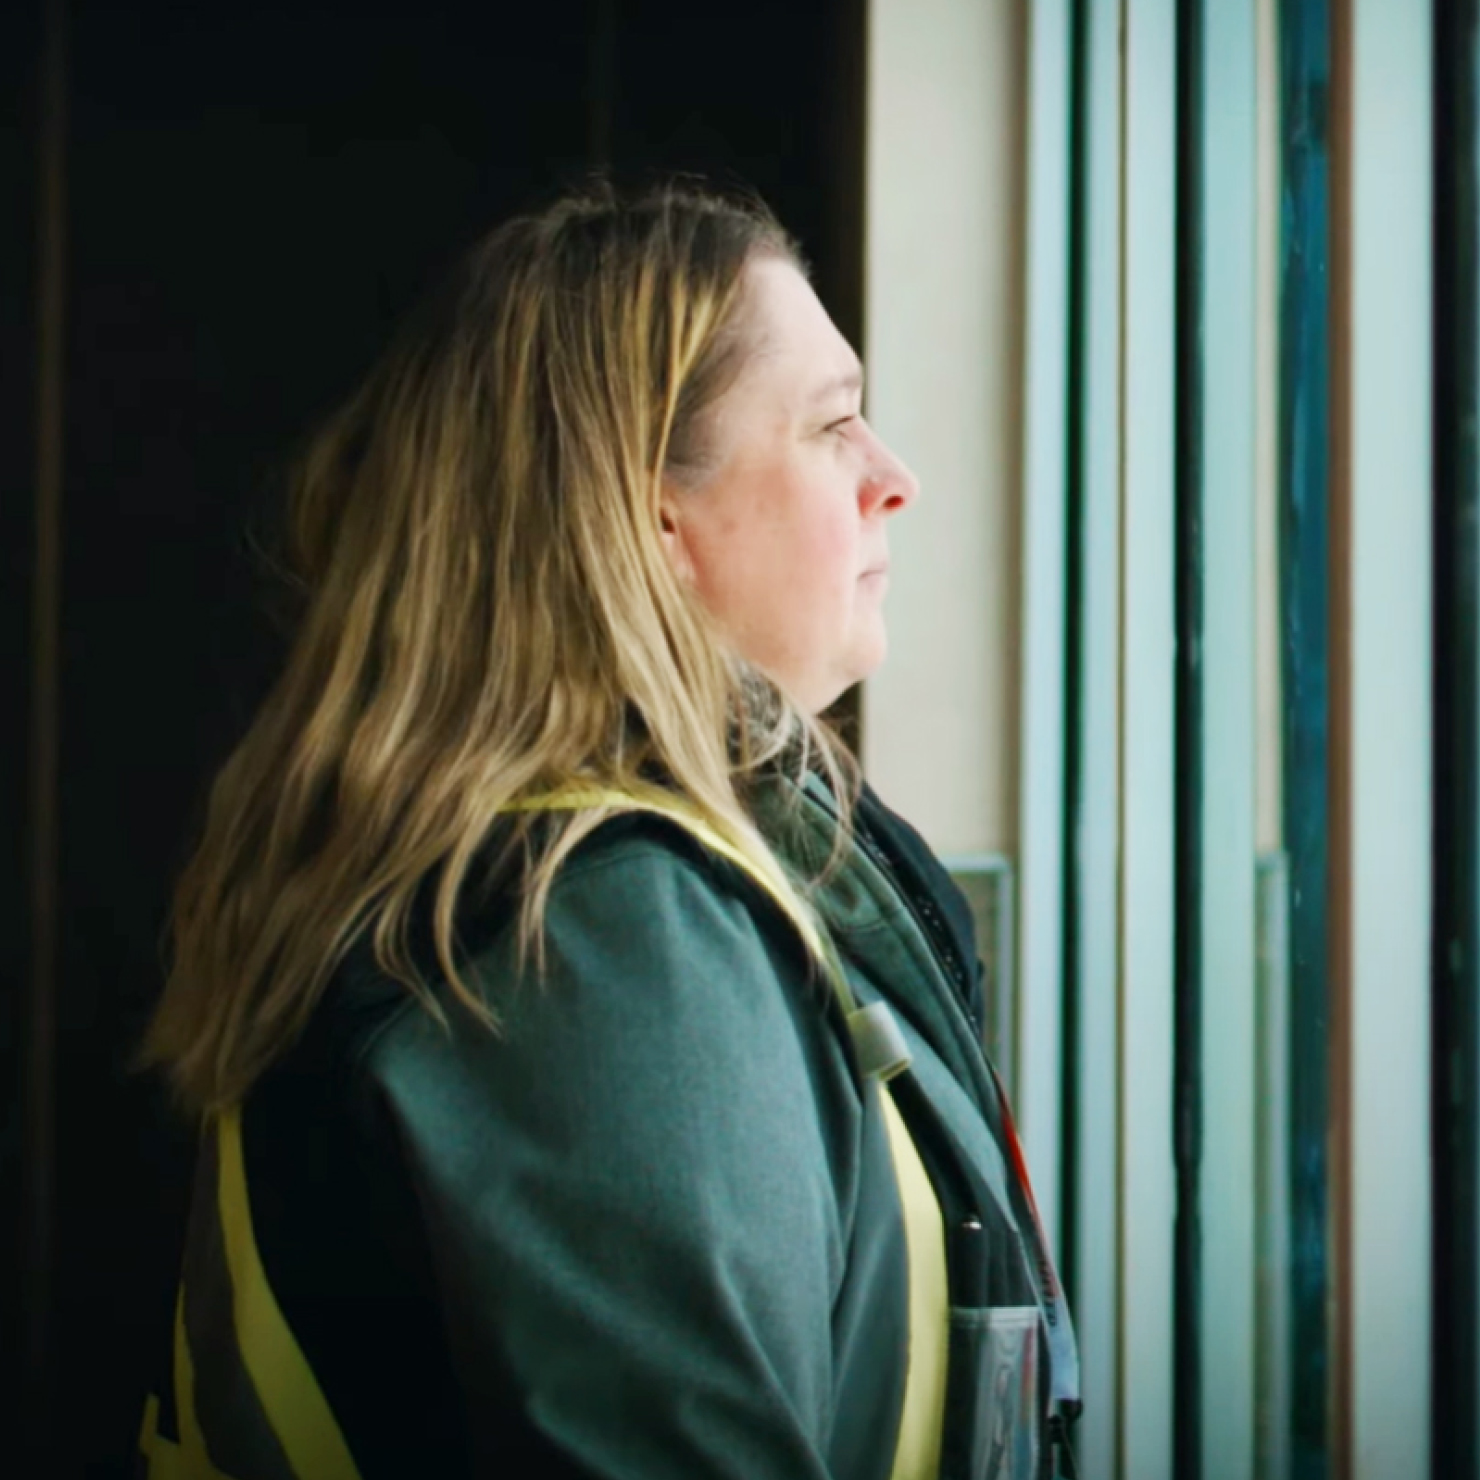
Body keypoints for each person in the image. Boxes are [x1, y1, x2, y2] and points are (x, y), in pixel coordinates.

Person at [137, 180, 1080, 1480]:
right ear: (651, 518)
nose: (895, 480)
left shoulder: (557, 894)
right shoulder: (589, 938)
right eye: (835, 424)